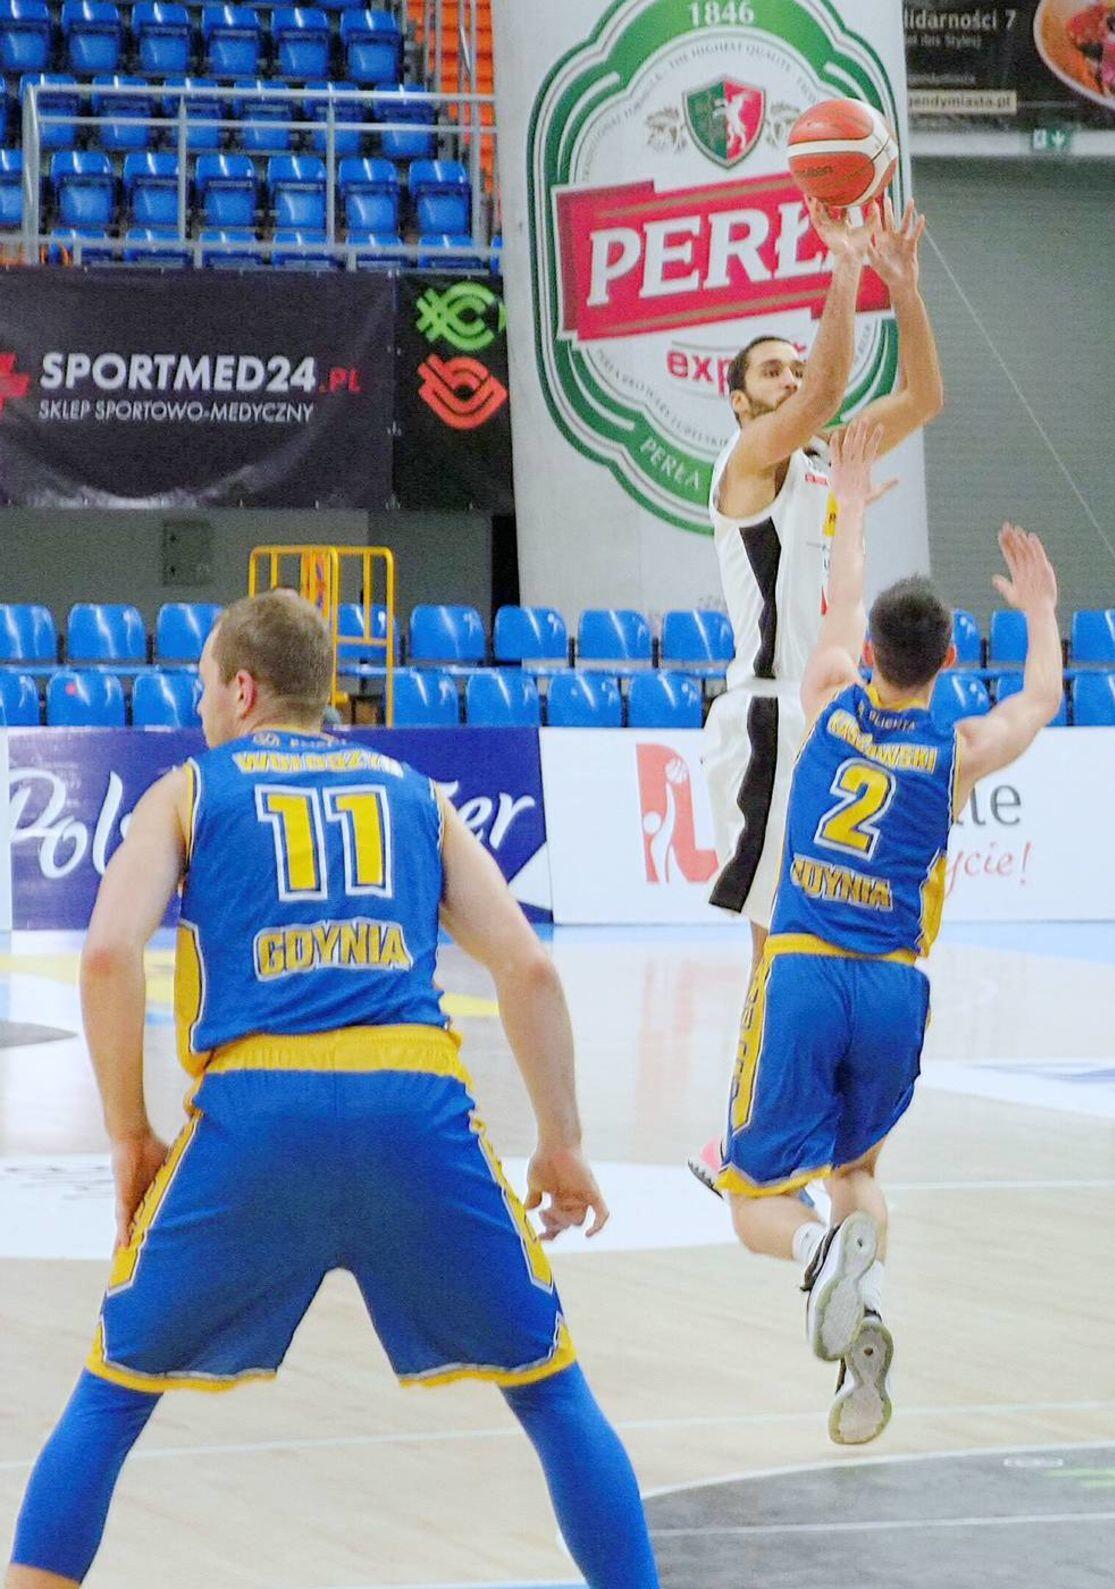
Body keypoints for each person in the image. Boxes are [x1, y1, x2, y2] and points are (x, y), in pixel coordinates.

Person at [6, 590, 660, 1589]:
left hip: (257, 1112)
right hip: (415, 1106)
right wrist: (561, 1140)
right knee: (552, 1393)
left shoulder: (188, 790)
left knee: (110, 1397)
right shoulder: (417, 793)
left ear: (242, 688)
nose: (199, 706)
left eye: (204, 686)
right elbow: (529, 967)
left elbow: (105, 955)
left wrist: (130, 1131)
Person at [710, 420, 1063, 1445]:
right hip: (895, 988)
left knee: (753, 1199)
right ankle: (862, 1324)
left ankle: (817, 1256)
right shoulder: (959, 747)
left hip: (806, 972)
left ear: (869, 653)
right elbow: (1041, 697)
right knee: (858, 1176)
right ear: (950, 658)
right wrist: (1041, 611)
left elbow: (839, 593)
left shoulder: (827, 697)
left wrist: (851, 502)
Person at [703, 193, 944, 967]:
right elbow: (825, 397)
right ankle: (762, 1050)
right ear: (740, 400)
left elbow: (924, 398)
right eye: (772, 371)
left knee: (825, 930)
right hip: (770, 715)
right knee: (777, 936)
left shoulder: (825, 461)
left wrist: (902, 288)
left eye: (796, 366)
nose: (791, 377)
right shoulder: (746, 459)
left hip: (834, 713)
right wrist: (846, 266)